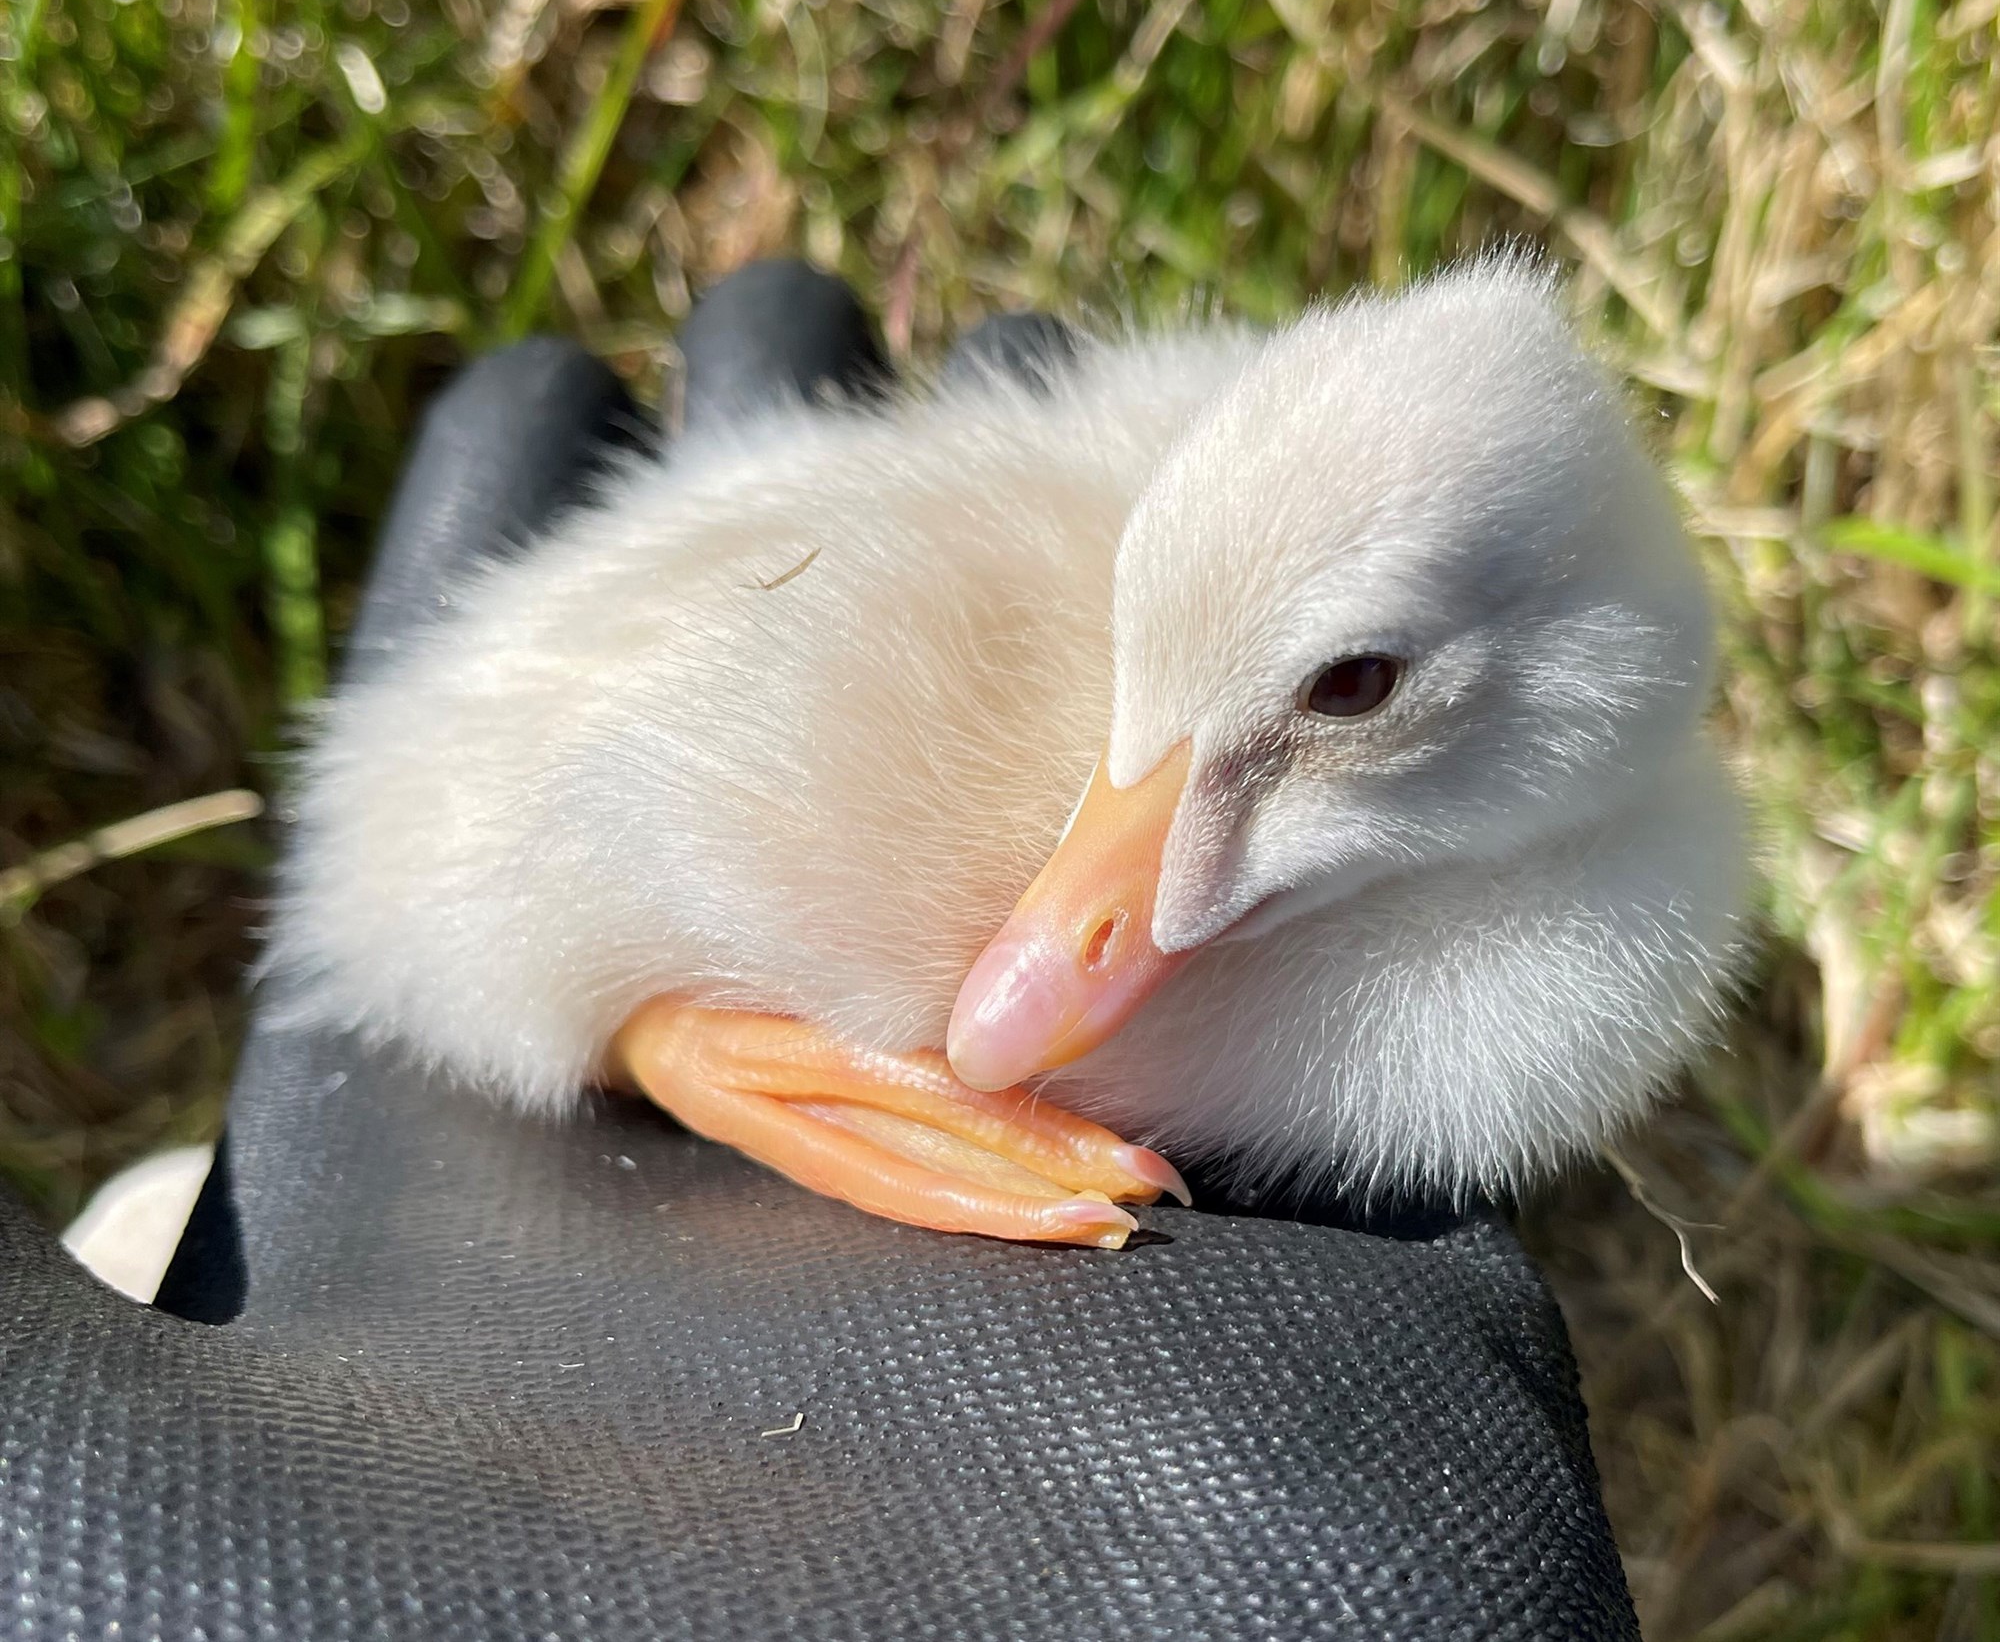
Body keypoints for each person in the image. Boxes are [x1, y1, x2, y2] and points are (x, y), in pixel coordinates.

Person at [0, 260, 1640, 1641]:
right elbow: (467, 841)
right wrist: (664, 1021)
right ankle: (674, 1026)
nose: (1028, 970)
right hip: (520, 837)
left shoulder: (1518, 733)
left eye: (1357, 690)